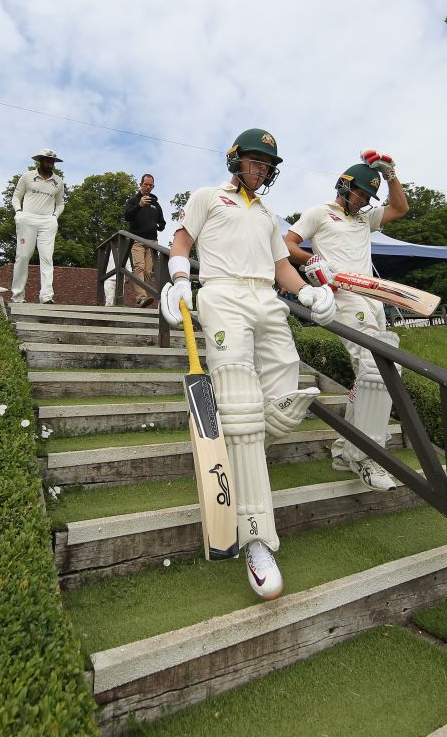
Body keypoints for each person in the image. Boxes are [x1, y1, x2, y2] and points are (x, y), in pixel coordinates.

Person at [159, 128, 337, 601]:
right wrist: (180, 279)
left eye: (267, 165)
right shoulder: (207, 196)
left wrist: (307, 293)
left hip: (267, 299)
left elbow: (282, 267)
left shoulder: (267, 215)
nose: (261, 170)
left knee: (285, 399)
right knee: (239, 405)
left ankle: (240, 443)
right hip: (222, 294)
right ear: (235, 160)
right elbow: (181, 241)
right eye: (255, 161)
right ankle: (256, 538)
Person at [284, 150, 409, 491]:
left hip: (372, 297)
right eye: (360, 194)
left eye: (369, 197)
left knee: (378, 372)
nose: (364, 201)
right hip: (341, 294)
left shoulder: (364, 219)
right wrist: (313, 261)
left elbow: (400, 209)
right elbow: (288, 244)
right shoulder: (319, 213)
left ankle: (344, 451)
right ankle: (366, 457)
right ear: (344, 186)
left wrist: (391, 175)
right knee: (375, 367)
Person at [11, 148, 66, 304]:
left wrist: (54, 217)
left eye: (52, 161)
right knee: (23, 256)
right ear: (40, 161)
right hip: (27, 219)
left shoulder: (58, 181)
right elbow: (16, 197)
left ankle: (46, 296)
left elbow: (60, 203)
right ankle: (17, 295)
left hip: (47, 222)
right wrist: (19, 212)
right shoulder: (27, 176)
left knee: (47, 258)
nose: (50, 164)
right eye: (47, 160)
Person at [123, 173, 166, 307]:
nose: (148, 187)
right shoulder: (133, 200)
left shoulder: (156, 204)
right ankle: (140, 298)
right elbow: (127, 216)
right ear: (140, 184)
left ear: (153, 187)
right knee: (139, 267)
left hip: (152, 242)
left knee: (148, 272)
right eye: (146, 184)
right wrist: (139, 205)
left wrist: (157, 226)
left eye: (150, 185)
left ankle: (144, 299)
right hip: (137, 240)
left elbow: (162, 223)